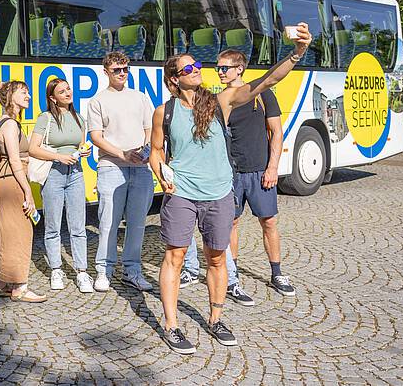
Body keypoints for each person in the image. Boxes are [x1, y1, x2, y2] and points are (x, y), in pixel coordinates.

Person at [149, 23, 311, 354]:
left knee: (218, 258)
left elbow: (267, 81)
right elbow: (155, 151)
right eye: (189, 68)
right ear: (174, 80)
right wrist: (161, 173)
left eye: (197, 65)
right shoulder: (163, 112)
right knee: (175, 256)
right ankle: (171, 324)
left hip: (220, 192)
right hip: (181, 193)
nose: (198, 70)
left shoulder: (221, 101)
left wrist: (297, 52)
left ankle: (215, 318)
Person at [181, 50, 295, 302]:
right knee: (230, 224)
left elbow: (276, 132)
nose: (220, 72)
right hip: (232, 173)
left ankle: (277, 273)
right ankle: (233, 279)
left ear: (239, 69)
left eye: (225, 68)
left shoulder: (262, 95)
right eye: (218, 68)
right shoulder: (218, 99)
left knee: (269, 221)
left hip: (260, 169)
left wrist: (273, 167)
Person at [87, 52, 156, 292]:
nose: (122, 73)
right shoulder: (97, 101)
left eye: (125, 69)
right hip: (111, 166)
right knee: (108, 222)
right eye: (117, 70)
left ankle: (132, 270)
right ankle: (103, 271)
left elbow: (149, 127)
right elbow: (96, 137)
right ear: (105, 72)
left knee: (137, 223)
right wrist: (121, 154)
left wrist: (146, 148)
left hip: (141, 167)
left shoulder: (140, 97)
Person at [0, 79, 47, 303]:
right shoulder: (9, 124)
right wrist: (28, 192)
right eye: (23, 92)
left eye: (28, 92)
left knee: (2, 232)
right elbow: (15, 161)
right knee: (21, 232)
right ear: (10, 97)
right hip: (12, 182)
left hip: (3, 181)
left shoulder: (1, 122)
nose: (28, 96)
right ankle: (20, 286)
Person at [29, 78, 92, 293]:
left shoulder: (80, 119)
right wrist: (58, 157)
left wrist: (84, 151)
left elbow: (80, 144)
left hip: (76, 174)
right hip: (53, 175)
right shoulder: (45, 119)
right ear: (52, 98)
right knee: (53, 226)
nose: (67, 93)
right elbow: (33, 149)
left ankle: (82, 272)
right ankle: (56, 269)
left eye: (68, 89)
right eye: (61, 91)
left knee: (78, 226)